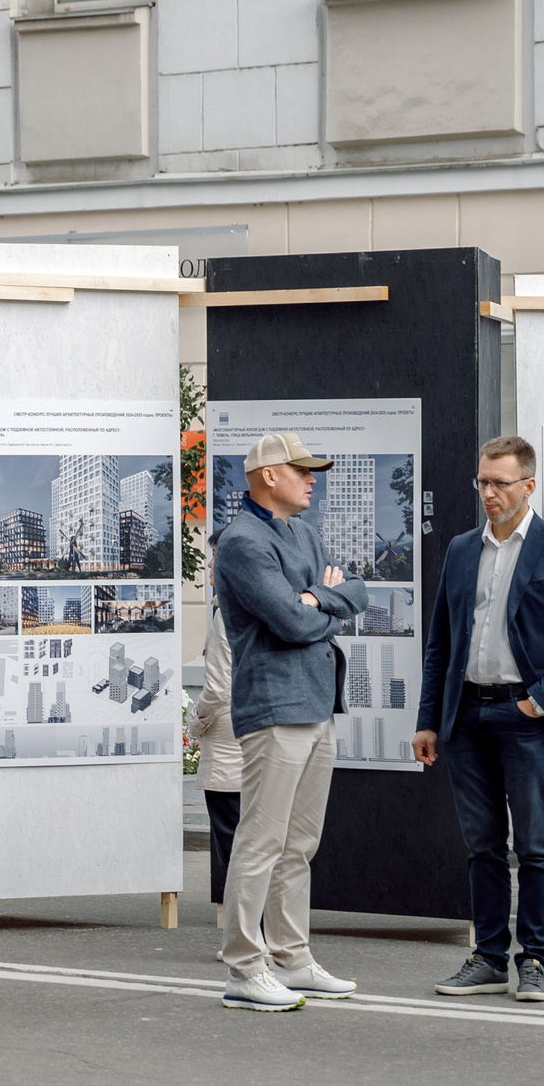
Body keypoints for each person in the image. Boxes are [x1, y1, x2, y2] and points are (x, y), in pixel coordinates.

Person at [413, 435, 544, 1003]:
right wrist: (429, 719)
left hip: (524, 716)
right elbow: (440, 643)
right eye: (482, 481)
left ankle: (535, 959)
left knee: (536, 846)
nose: (488, 492)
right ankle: (489, 957)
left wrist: (538, 701)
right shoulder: (461, 549)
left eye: (499, 482)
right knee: (483, 846)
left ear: (528, 485)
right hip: (466, 715)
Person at [208, 433, 367, 1011]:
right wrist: (322, 604)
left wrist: (317, 600)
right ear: (269, 475)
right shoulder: (243, 542)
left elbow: (356, 591)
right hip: (276, 705)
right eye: (303, 470)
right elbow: (290, 625)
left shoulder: (300, 531)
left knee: (299, 843)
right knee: (261, 841)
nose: (313, 479)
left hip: (317, 702)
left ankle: (292, 959)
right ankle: (244, 969)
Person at [187, 597, 241, 918]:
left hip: (226, 745)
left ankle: (245, 937)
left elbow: (218, 689)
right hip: (260, 737)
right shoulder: (270, 602)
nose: (208, 567)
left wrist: (196, 721)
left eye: (215, 557)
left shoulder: (227, 613)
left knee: (232, 841)